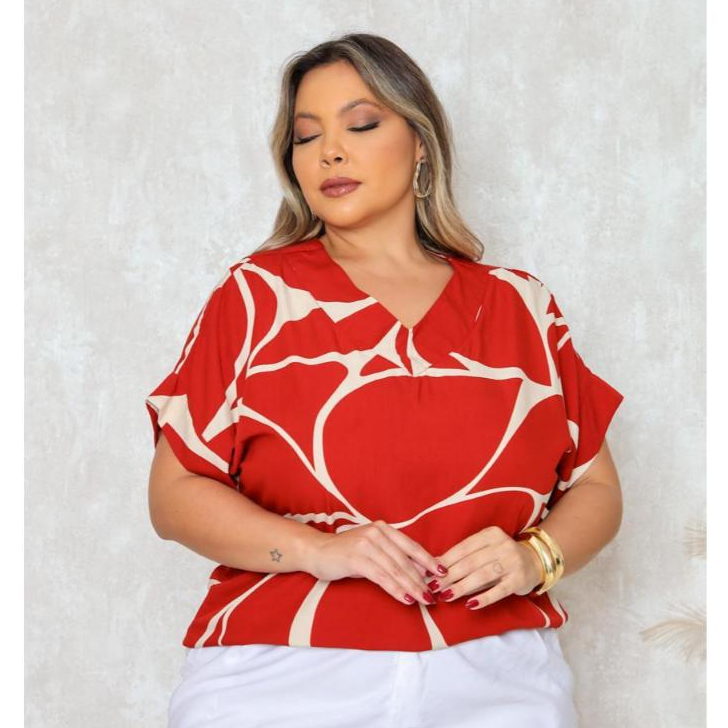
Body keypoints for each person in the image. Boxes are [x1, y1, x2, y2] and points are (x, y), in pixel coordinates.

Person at [144, 32, 624, 728]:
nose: (330, 152)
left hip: (498, 676)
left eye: (362, 124)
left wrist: (536, 558)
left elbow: (597, 488)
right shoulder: (255, 297)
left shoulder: (522, 305)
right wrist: (318, 550)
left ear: (421, 143)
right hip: (281, 670)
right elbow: (174, 494)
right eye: (307, 136)